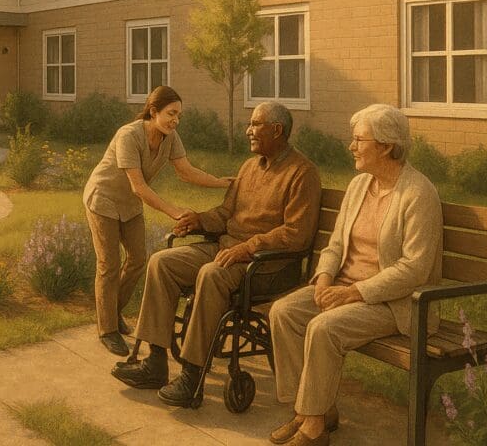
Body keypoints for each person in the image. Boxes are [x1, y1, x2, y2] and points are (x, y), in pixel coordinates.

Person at [111, 101, 322, 408]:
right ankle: (155, 363)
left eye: (255, 124)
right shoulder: (250, 166)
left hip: (267, 266)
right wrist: (198, 219)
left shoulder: (302, 173)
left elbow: (295, 235)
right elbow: (225, 213)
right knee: (162, 262)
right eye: (249, 124)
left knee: (211, 274)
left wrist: (248, 248)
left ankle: (192, 377)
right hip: (228, 249)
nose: (248, 130)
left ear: (277, 130)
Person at [267, 104, 442, 446]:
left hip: (396, 303)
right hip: (347, 288)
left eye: (359, 140)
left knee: (323, 327)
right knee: (284, 312)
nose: (351, 146)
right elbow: (335, 244)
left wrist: (354, 292)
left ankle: (314, 432)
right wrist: (323, 279)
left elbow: (414, 268)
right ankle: (311, 412)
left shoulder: (418, 194)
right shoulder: (360, 185)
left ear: (386, 146)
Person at [83, 86, 231, 356]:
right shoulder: (128, 135)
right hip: (102, 199)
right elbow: (138, 186)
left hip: (129, 205)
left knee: (138, 259)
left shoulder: (170, 137)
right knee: (109, 264)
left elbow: (186, 172)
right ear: (153, 111)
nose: (176, 120)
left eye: (179, 115)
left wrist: (222, 183)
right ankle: (108, 331)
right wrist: (173, 211)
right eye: (171, 113)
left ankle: (111, 312)